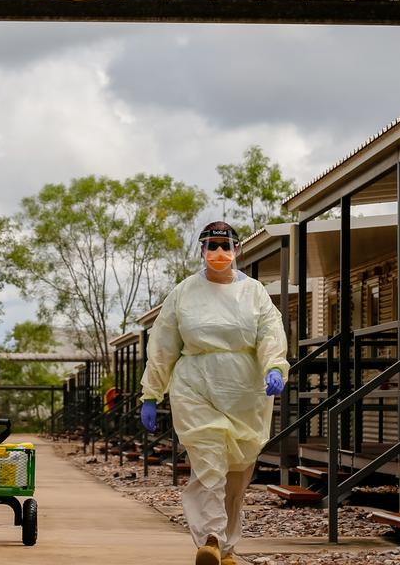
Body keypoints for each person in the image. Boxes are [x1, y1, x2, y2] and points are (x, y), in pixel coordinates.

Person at [139, 222, 289, 565]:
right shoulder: (183, 293)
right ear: (202, 250)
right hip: (196, 388)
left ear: (237, 250)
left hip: (245, 393)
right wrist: (151, 393)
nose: (219, 253)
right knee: (209, 463)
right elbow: (162, 346)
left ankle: (227, 547)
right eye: (212, 245)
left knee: (236, 474)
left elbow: (270, 334)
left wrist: (275, 368)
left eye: (226, 246)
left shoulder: (254, 292)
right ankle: (210, 538)